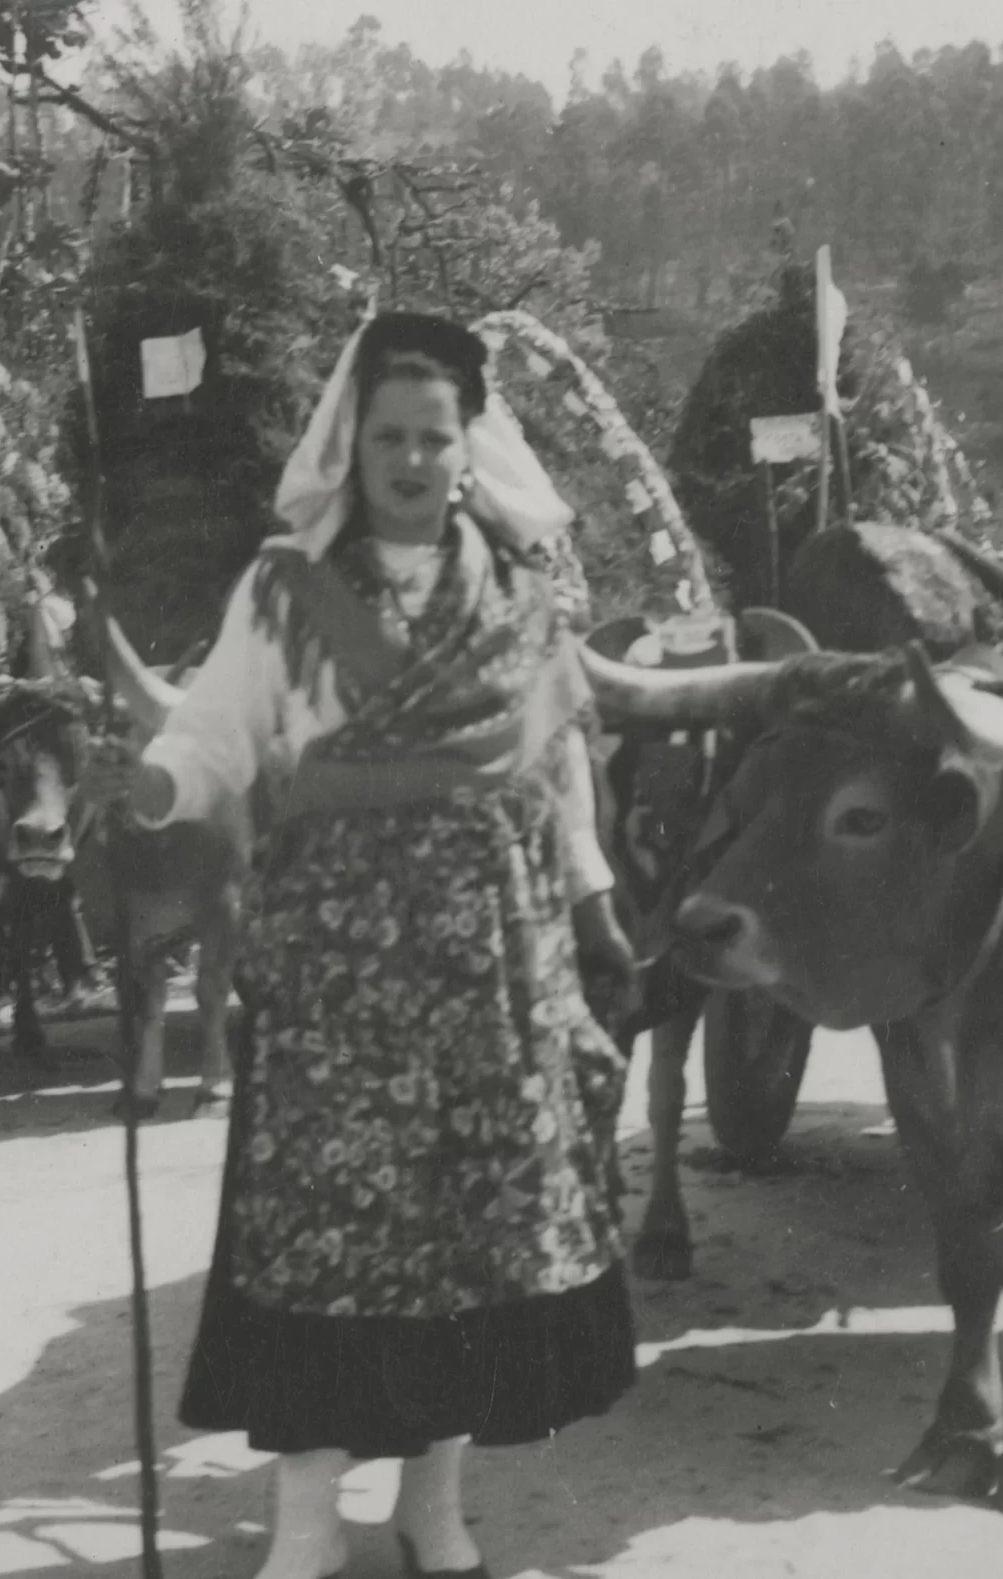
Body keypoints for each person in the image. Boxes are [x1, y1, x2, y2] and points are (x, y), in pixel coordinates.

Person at [84, 312, 639, 1579]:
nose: (409, 458)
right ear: (354, 441)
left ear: (467, 445)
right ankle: (304, 1527)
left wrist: (596, 904)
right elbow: (213, 739)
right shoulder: (283, 591)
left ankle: (432, 1511)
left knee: (469, 1247)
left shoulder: (521, 595)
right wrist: (151, 789)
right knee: (322, 1242)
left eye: (432, 436)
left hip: (493, 971)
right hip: (337, 970)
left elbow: (560, 778)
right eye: (387, 434)